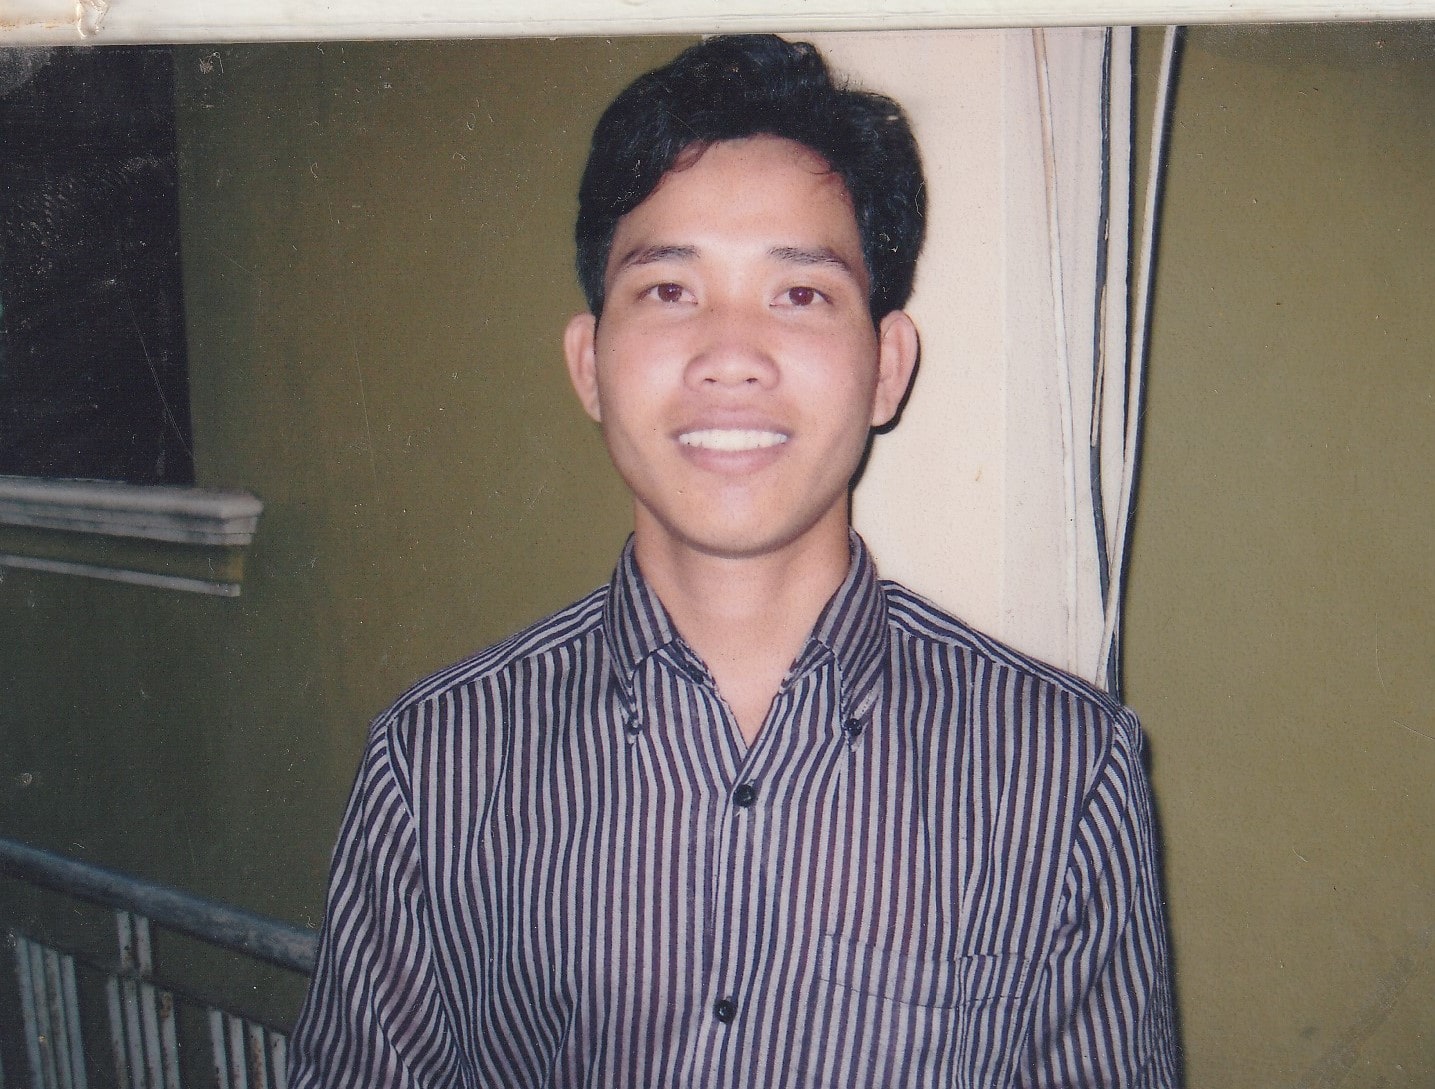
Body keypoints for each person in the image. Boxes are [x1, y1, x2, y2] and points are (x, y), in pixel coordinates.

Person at [288, 34, 1178, 1088]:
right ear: (589, 364)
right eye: (669, 291)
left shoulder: (1067, 774)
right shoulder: (436, 763)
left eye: (799, 295)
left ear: (886, 367)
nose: (729, 357)